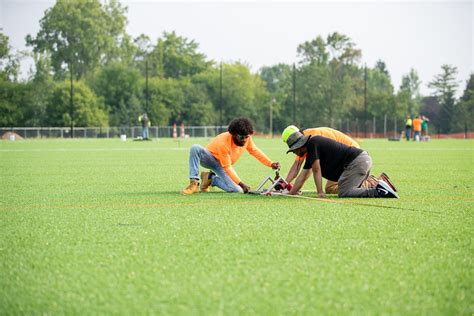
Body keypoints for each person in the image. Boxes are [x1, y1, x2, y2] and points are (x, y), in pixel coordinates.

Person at [282, 126, 399, 198]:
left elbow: (316, 169)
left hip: (357, 161)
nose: (294, 153)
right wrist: (291, 192)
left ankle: (378, 191)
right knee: (339, 187)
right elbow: (302, 176)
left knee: (344, 191)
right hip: (359, 161)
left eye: (294, 151)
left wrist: (320, 192)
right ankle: (378, 183)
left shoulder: (313, 143)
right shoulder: (310, 149)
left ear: (299, 146)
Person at [182, 117, 280, 195]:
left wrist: (271, 163)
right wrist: (242, 183)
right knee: (195, 148)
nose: (245, 140)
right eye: (242, 137)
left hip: (222, 165)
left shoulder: (247, 139)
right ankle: (194, 183)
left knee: (237, 190)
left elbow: (255, 151)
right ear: (233, 134)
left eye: (247, 137)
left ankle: (210, 178)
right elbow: (227, 167)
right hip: (209, 159)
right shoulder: (223, 142)